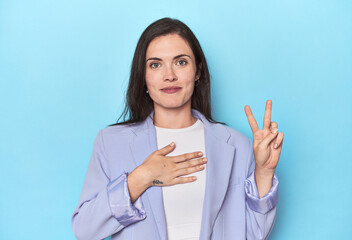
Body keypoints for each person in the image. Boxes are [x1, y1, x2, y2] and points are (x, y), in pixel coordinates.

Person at [71, 17, 284, 240]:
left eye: (181, 62)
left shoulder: (236, 144)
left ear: (198, 71)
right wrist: (142, 176)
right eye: (155, 64)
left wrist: (264, 172)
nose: (169, 75)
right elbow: (85, 230)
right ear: (143, 77)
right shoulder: (111, 142)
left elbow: (255, 234)